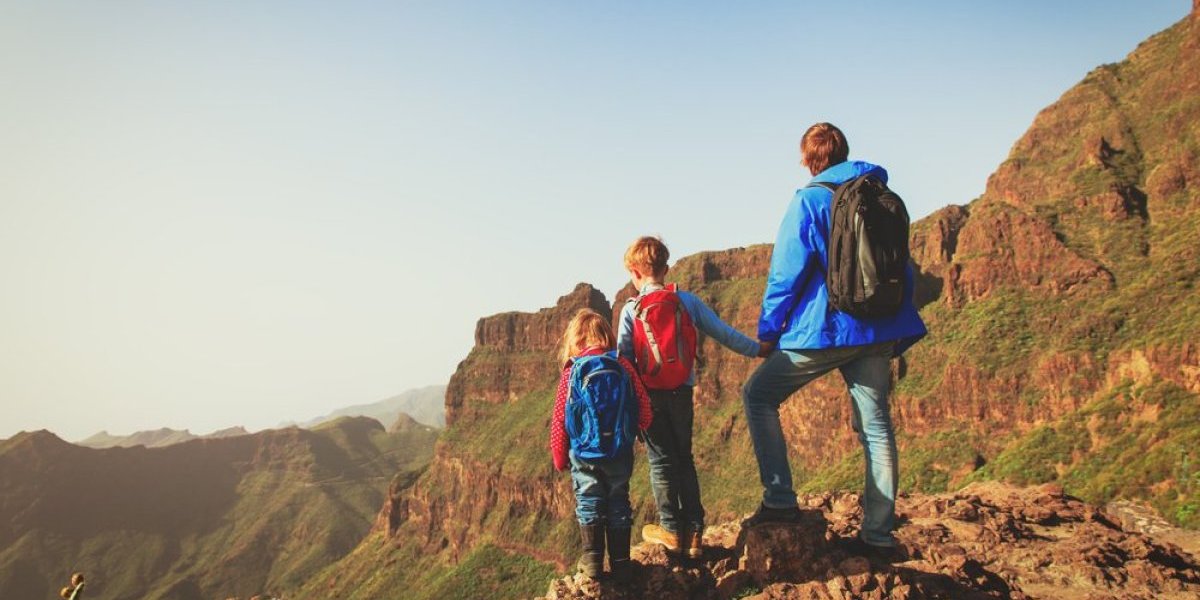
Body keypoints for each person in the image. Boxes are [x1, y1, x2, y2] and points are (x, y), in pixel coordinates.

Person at [742, 123, 927, 551]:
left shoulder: (808, 200)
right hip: (878, 327)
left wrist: (769, 333)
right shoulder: (881, 196)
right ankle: (878, 536)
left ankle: (780, 499)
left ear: (808, 159)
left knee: (759, 396)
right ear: (844, 152)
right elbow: (902, 266)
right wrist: (895, 320)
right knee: (877, 428)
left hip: (825, 330)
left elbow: (785, 276)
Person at [617, 236, 770, 558]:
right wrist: (757, 349)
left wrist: (628, 406)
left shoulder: (631, 309)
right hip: (682, 392)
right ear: (666, 268)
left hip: (651, 394)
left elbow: (624, 360)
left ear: (634, 271)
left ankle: (671, 529)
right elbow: (723, 332)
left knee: (661, 461)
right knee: (684, 458)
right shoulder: (686, 302)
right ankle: (695, 533)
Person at [549, 308, 653, 581]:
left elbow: (559, 418)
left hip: (583, 453)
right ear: (606, 336)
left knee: (589, 499)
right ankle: (621, 563)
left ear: (576, 340)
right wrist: (634, 429)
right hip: (619, 449)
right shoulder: (623, 364)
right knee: (618, 499)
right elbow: (644, 409)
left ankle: (593, 562)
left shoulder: (572, 370)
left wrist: (559, 457)